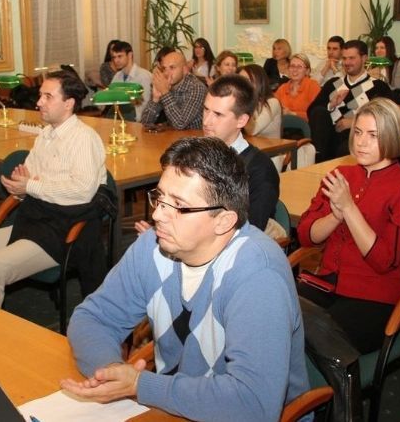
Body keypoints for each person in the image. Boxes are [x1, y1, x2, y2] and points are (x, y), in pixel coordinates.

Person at [62, 136, 308, 421]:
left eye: (178, 205)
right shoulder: (153, 247)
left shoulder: (258, 276)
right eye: (160, 197)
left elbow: (254, 405)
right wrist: (110, 372)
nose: (158, 214)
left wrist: (141, 385)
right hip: (175, 407)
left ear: (223, 221)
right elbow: (93, 318)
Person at [296, 98, 400, 420]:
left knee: (298, 326)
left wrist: (349, 208)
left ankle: (334, 406)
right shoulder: (340, 174)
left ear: (393, 137)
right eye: (357, 132)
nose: (361, 142)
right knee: (272, 310)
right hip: (326, 285)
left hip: (374, 299)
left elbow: (384, 260)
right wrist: (336, 215)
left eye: (373, 135)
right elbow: (307, 235)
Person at [0, 70, 107, 307]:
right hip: (35, 221)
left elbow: (83, 191)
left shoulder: (84, 138)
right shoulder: (45, 135)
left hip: (62, 231)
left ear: (69, 103)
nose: (39, 102)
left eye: (47, 97)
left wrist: (30, 186)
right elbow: (31, 180)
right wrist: (20, 187)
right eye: (40, 95)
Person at [135, 75, 280, 232]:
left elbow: (248, 233)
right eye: (205, 110)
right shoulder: (193, 155)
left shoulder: (260, 170)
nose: (206, 121)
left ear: (242, 120)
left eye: (218, 114)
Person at [307, 40, 392, 162]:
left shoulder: (378, 86)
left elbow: (385, 118)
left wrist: (355, 122)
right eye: (344, 58)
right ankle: (318, 161)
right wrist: (331, 105)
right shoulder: (332, 83)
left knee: (346, 149)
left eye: (351, 58)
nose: (347, 62)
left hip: (356, 137)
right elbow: (312, 111)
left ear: (364, 58)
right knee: (318, 111)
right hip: (328, 135)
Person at [139, 50, 205, 130]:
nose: (166, 73)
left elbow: (180, 124)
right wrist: (155, 99)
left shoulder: (196, 87)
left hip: (195, 136)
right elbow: (145, 122)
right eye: (164, 68)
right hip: (173, 134)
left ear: (185, 70)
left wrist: (165, 92)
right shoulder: (165, 84)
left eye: (172, 67)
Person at [110, 41, 152, 121]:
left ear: (130, 55)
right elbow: (112, 100)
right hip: (120, 118)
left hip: (137, 121)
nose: (116, 60)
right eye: (114, 57)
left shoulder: (143, 76)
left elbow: (146, 106)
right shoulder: (117, 76)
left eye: (119, 56)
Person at [275, 53, 321, 121]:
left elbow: (317, 115)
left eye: (299, 67)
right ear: (288, 69)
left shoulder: (313, 86)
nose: (295, 70)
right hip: (283, 125)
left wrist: (292, 114)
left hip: (306, 126)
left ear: (307, 71)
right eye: (292, 66)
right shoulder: (282, 88)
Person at [240, 63, 281, 139]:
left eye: (247, 80)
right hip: (250, 144)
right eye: (240, 80)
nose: (242, 84)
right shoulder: (245, 100)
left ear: (258, 81)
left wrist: (242, 105)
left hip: (270, 145)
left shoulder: (272, 102)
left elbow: (253, 131)